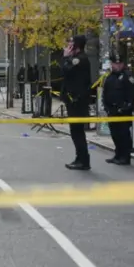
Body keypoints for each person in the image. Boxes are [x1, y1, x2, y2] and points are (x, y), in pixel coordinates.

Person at [61, 35, 92, 171]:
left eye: (72, 43)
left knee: (77, 132)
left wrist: (66, 57)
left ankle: (83, 160)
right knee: (76, 132)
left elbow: (66, 71)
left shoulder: (80, 60)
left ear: (77, 46)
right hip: (74, 100)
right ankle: (80, 158)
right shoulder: (78, 59)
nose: (69, 45)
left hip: (77, 101)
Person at [103, 52, 134, 165]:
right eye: (114, 64)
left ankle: (125, 157)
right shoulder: (110, 77)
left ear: (122, 64)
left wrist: (125, 108)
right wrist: (107, 107)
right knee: (115, 134)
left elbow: (131, 95)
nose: (117, 66)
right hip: (112, 111)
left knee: (123, 135)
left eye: (119, 64)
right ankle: (118, 154)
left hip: (123, 112)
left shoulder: (128, 76)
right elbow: (105, 93)